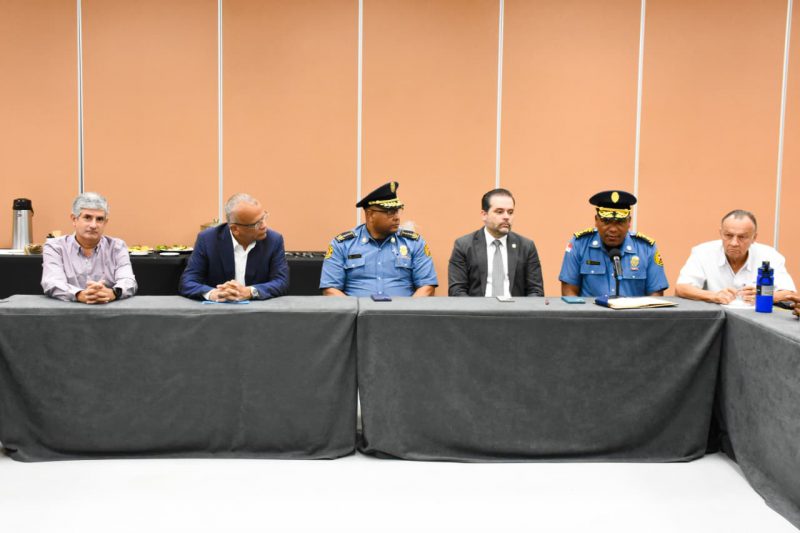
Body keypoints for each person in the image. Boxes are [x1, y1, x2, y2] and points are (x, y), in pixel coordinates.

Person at [320, 181, 437, 297]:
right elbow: (330, 289)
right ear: (370, 215)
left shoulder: (414, 243)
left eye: (397, 211)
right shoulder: (342, 244)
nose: (397, 217)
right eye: (390, 212)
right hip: (357, 309)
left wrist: (407, 309)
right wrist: (355, 308)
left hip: (403, 308)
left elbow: (427, 286)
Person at [179, 193, 289, 301]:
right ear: (235, 229)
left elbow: (281, 282)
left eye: (264, 217)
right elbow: (187, 282)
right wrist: (212, 294)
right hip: (218, 309)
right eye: (257, 224)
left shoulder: (274, 240)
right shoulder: (208, 240)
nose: (264, 225)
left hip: (258, 310)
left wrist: (250, 292)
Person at [559, 190, 668, 297]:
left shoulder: (646, 248)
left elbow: (656, 294)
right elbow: (569, 291)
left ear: (629, 222)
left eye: (620, 222)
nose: (613, 229)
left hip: (633, 310)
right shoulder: (579, 244)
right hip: (591, 310)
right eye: (606, 221)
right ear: (596, 220)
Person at [675, 210, 796, 304]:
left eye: (742, 237)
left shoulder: (770, 255)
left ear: (754, 238)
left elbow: (789, 293)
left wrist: (764, 296)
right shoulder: (702, 252)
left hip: (757, 318)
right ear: (720, 233)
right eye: (728, 235)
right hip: (715, 319)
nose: (734, 243)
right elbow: (681, 288)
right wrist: (714, 296)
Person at [41, 192, 137, 303]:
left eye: (99, 219)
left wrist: (113, 293)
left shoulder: (117, 247)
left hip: (108, 310)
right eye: (87, 217)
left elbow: (128, 280)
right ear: (74, 219)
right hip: (68, 311)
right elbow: (51, 282)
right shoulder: (55, 247)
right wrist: (79, 294)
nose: (93, 225)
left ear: (105, 222)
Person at [448, 188, 544, 297]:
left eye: (510, 212)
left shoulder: (526, 246)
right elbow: (457, 291)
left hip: (515, 307)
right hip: (478, 307)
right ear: (484, 215)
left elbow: (536, 291)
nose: (506, 217)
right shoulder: (464, 245)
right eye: (499, 212)